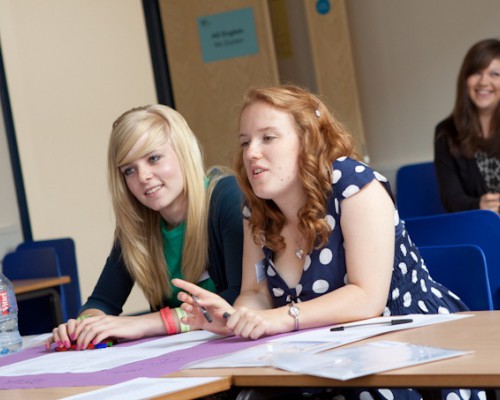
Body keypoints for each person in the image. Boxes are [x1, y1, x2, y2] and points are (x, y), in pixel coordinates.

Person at [173, 85, 486, 400]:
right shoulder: (256, 207)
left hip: (407, 344)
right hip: (320, 352)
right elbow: (255, 294)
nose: (251, 152)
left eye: (268, 138)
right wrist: (236, 319)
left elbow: (367, 299)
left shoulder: (355, 185)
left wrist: (279, 319)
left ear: (307, 140)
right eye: (245, 142)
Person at [46, 104, 243, 351]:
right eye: (129, 170)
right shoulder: (137, 226)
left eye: (154, 158)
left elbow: (239, 300)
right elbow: (102, 301)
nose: (143, 176)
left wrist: (142, 324)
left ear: (183, 152)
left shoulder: (227, 197)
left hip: (237, 352)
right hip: (185, 358)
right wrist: (84, 326)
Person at [435, 38, 500, 213]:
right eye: (477, 72)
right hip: (478, 230)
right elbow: (452, 199)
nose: (484, 82)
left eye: (495, 74)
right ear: (465, 79)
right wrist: (479, 205)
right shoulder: (445, 132)